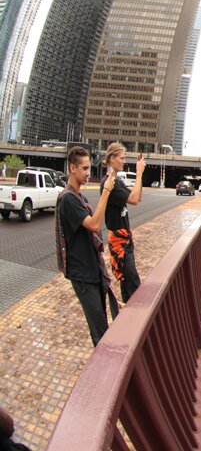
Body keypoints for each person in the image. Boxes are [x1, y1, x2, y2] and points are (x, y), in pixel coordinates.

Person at [55, 146, 117, 346]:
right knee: (100, 332)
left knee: (102, 324)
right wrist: (106, 190)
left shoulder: (81, 198)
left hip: (93, 270)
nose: (88, 173)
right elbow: (94, 224)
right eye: (84, 168)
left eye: (89, 168)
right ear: (72, 168)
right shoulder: (68, 200)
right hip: (82, 274)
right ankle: (106, 373)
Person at [100, 143, 146, 304]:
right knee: (132, 282)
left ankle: (127, 319)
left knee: (127, 282)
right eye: (122, 158)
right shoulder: (110, 183)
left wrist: (140, 176)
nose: (124, 161)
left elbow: (137, 197)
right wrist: (139, 173)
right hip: (120, 242)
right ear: (112, 159)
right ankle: (138, 321)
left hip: (126, 239)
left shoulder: (117, 181)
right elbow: (133, 199)